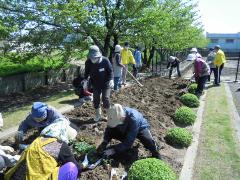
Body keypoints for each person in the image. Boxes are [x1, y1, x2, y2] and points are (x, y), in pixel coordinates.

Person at [5, 118, 84, 180]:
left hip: (13, 177)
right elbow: (76, 166)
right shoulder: (60, 145)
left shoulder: (38, 140)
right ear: (64, 133)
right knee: (71, 168)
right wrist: (84, 164)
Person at [97, 104, 161, 159]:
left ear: (122, 118)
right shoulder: (114, 115)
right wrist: (105, 142)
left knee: (148, 141)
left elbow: (129, 141)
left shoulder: (134, 119)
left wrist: (113, 150)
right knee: (114, 131)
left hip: (140, 128)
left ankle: (155, 150)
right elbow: (109, 129)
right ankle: (123, 147)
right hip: (124, 127)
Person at [83, 45, 113, 122]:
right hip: (95, 83)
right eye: (92, 58)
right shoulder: (88, 62)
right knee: (96, 99)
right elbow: (86, 73)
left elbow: (110, 71)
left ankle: (109, 115)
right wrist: (85, 81)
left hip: (106, 83)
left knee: (105, 98)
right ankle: (98, 115)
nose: (93, 59)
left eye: (95, 58)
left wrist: (111, 80)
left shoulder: (105, 61)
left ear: (98, 56)